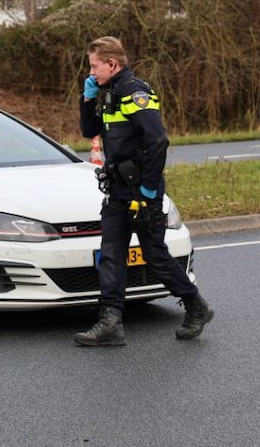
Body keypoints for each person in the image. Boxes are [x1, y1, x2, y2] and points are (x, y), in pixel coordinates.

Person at [75, 36, 213, 346]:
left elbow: (157, 141)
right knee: (110, 255)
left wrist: (149, 189)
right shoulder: (108, 92)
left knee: (154, 255)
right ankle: (110, 323)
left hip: (140, 190)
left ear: (112, 64)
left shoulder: (134, 92)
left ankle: (196, 305)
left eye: (95, 66)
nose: (92, 72)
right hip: (117, 189)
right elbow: (88, 131)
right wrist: (87, 99)